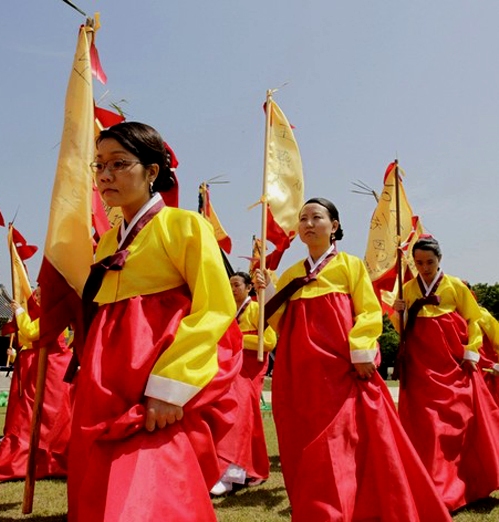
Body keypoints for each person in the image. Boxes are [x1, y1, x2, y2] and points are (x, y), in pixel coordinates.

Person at [68, 122, 242, 521]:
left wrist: (170, 385)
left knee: (152, 492)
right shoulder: (109, 242)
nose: (105, 175)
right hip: (106, 383)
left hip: (154, 384)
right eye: (99, 166)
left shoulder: (185, 225)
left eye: (118, 163)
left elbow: (214, 308)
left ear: (151, 172)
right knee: (101, 484)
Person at [255, 198, 451, 521]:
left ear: (333, 226)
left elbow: (369, 312)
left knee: (339, 446)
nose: (307, 223)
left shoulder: (349, 265)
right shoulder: (291, 274)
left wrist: (361, 350)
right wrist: (267, 291)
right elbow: (278, 324)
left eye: (316, 217)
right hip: (301, 379)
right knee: (305, 449)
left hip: (341, 375)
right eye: (302, 218)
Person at [393, 237, 499, 510]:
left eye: (429, 262)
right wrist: (398, 314)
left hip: (453, 366)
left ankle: (467, 486)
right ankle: (435, 488)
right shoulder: (406, 289)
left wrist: (471, 350)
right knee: (428, 429)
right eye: (418, 263)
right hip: (421, 370)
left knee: (459, 425)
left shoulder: (455, 287)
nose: (424, 267)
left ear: (440, 259)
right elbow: (403, 332)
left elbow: (473, 319)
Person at [0, 289, 73, 482]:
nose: (36, 296)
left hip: (52, 370)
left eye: (41, 293)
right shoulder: (50, 311)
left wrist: (20, 313)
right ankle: (29, 463)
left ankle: (24, 464)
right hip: (45, 367)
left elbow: (33, 332)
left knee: (41, 418)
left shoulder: (57, 311)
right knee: (33, 416)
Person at [211, 271, 276, 496]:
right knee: (241, 417)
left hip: (250, 369)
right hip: (228, 366)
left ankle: (233, 471)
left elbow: (268, 341)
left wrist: (236, 339)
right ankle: (251, 468)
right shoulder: (227, 311)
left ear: (249, 287)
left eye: (237, 284)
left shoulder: (258, 310)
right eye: (229, 285)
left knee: (242, 414)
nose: (232, 289)